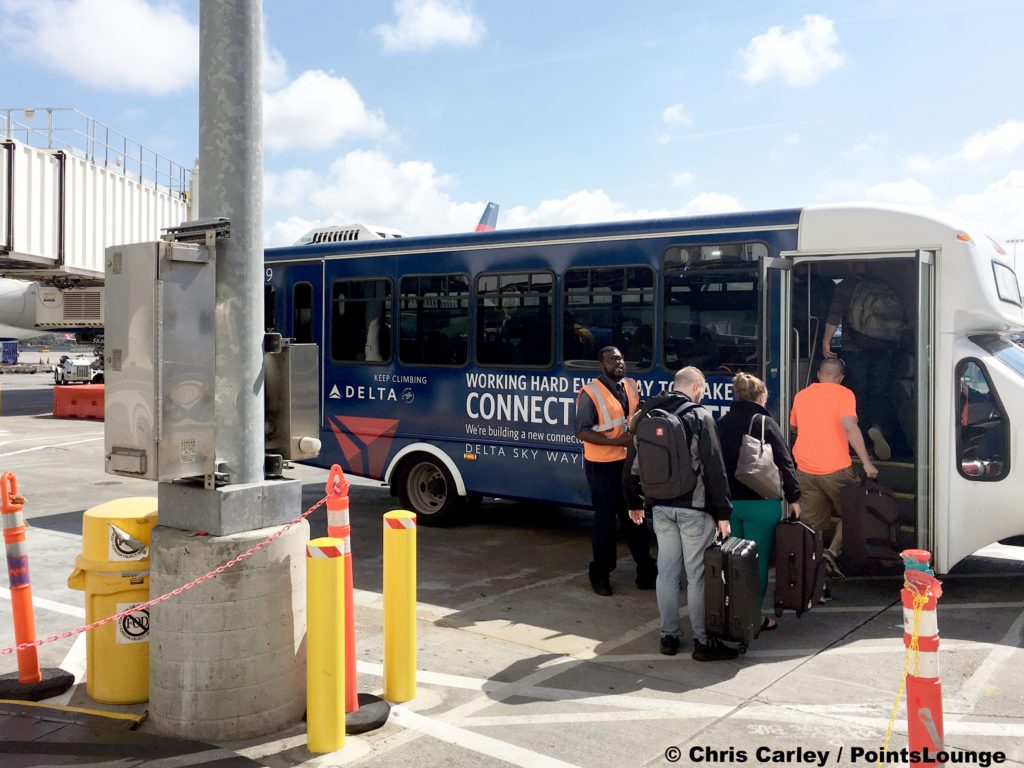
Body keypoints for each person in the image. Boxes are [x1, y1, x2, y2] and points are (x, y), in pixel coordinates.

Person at [624, 366, 738, 661]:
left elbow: (631, 463)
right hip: (694, 508)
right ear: (698, 386)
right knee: (697, 575)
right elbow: (715, 467)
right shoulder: (699, 417)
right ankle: (703, 642)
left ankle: (669, 637)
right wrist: (723, 512)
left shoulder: (646, 414)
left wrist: (634, 503)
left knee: (667, 572)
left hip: (659, 506)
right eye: (704, 388)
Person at [715, 372, 801, 631]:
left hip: (729, 504)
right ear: (762, 396)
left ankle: (732, 611)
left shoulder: (720, 423)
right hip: (761, 502)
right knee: (757, 560)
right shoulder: (765, 422)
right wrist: (794, 497)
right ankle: (753, 617)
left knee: (731, 560)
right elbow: (785, 463)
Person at [789, 358, 879, 593]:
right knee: (854, 512)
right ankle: (832, 552)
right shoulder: (844, 394)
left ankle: (815, 582)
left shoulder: (801, 395)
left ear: (819, 374)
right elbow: (849, 426)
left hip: (805, 470)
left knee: (812, 526)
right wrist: (867, 463)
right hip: (836, 469)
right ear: (840, 378)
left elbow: (794, 427)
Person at [574, 346, 657, 596]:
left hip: (628, 464)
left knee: (637, 517)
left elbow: (634, 414)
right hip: (602, 467)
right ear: (602, 365)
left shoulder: (630, 385)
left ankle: (646, 573)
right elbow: (582, 431)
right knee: (605, 523)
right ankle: (600, 575)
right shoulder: (590, 393)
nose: (618, 363)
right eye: (611, 360)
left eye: (620, 358)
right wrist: (616, 443)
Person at [821, 264, 905, 460]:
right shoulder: (883, 284)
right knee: (880, 391)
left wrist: (826, 342)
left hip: (854, 348)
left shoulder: (846, 286)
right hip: (883, 347)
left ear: (851, 266)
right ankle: (877, 427)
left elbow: (834, 314)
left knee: (857, 395)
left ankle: (860, 443)